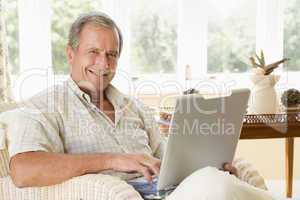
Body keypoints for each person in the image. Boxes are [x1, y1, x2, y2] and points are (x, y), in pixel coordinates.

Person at [7, 12, 273, 199]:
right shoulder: (43, 106)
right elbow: (22, 171)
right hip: (119, 195)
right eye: (94, 52)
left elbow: (170, 163)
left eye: (112, 55)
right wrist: (113, 159)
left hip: (169, 193)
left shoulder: (134, 108)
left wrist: (209, 165)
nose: (104, 64)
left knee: (219, 180)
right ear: (70, 54)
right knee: (218, 188)